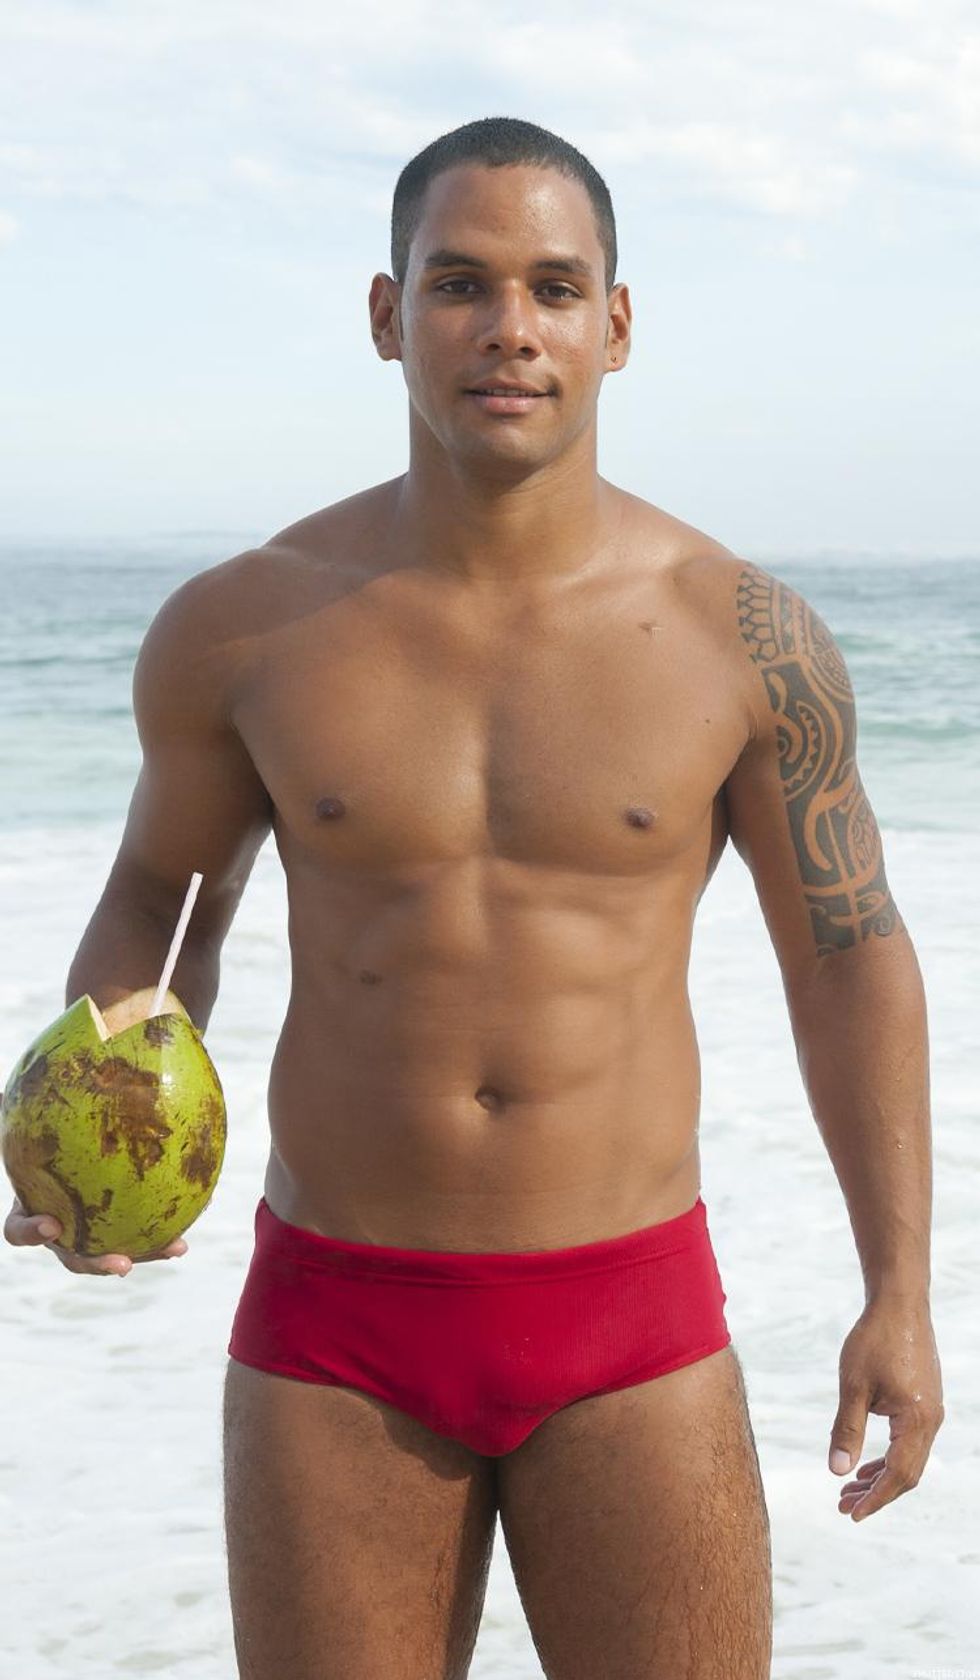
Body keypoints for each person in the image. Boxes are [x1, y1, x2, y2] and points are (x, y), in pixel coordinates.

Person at [3, 116, 943, 1679]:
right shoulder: (243, 631)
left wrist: (899, 1292)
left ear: (615, 327)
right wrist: (82, 1131)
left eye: (555, 287)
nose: (510, 328)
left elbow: (848, 959)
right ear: (387, 315)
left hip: (628, 1313)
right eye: (460, 282)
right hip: (336, 1327)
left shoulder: (740, 635)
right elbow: (166, 905)